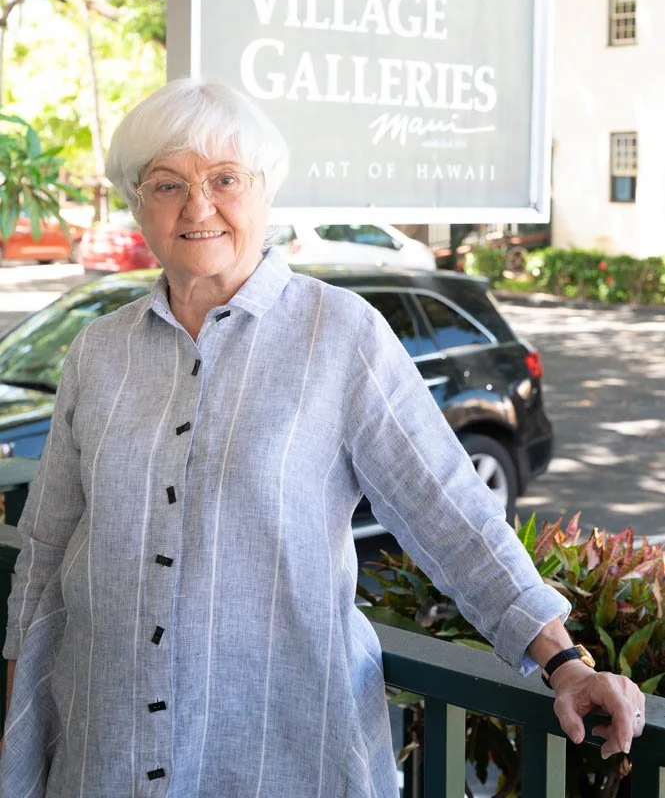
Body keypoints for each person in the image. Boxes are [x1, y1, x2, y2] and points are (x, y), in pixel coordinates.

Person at [0, 79, 644, 798]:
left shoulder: (338, 333)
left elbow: (448, 511)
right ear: (135, 202)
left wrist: (565, 663)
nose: (198, 205)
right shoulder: (98, 352)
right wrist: (18, 719)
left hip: (280, 749)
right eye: (166, 183)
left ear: (266, 192)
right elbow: (48, 548)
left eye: (225, 179)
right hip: (104, 747)